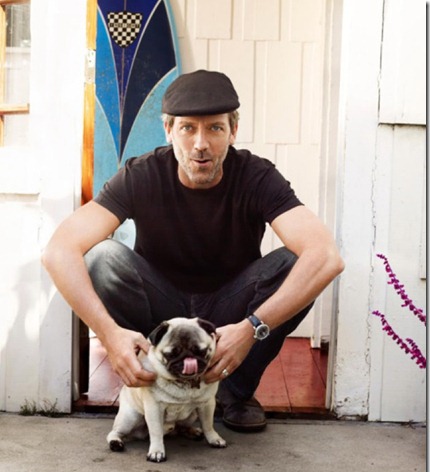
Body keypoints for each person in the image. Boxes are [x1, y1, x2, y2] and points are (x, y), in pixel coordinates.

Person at [42, 70, 344, 432]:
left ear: (233, 131)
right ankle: (156, 384)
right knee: (102, 258)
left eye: (215, 128)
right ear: (169, 130)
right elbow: (59, 250)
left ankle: (234, 391)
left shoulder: (257, 176)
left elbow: (325, 256)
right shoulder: (141, 175)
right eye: (187, 128)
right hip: (162, 313)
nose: (200, 144)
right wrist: (108, 333)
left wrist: (251, 329)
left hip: (230, 311)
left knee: (296, 264)